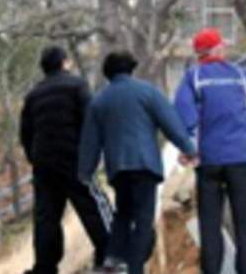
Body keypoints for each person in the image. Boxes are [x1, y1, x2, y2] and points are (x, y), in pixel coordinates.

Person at [173, 28, 246, 274]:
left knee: (210, 226)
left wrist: (188, 147)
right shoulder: (238, 75)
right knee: (245, 223)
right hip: (240, 158)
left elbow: (184, 114)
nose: (224, 48)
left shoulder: (192, 78)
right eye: (221, 45)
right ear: (215, 49)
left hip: (208, 161)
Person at [78, 51, 197, 274]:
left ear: (107, 74)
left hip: (118, 169)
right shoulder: (148, 92)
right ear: (131, 69)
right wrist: (189, 149)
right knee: (143, 219)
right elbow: (170, 123)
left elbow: (90, 142)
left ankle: (112, 261)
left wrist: (85, 171)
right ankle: (135, 269)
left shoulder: (99, 101)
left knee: (122, 214)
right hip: (145, 165)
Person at [20, 46, 111, 274]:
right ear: (64, 63)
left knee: (46, 216)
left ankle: (45, 266)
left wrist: (36, 159)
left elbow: (25, 133)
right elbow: (91, 120)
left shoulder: (33, 94)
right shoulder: (76, 86)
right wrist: (92, 155)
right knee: (92, 205)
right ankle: (109, 254)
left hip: (44, 164)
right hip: (73, 158)